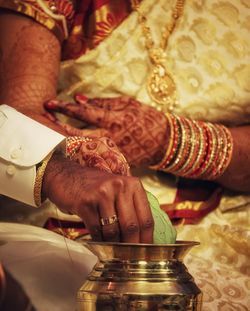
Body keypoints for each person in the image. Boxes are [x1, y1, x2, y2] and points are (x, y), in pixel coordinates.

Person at [0, 0, 249, 310]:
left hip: (226, 228)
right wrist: (68, 165)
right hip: (68, 225)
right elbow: (16, 117)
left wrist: (173, 142)